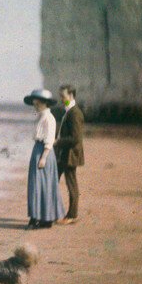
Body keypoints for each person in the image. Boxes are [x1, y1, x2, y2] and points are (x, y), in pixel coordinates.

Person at [24, 88, 66, 229]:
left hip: (44, 152)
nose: (34, 103)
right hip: (37, 149)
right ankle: (37, 216)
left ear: (43, 102)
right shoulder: (41, 115)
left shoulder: (49, 118)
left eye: (36, 100)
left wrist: (43, 158)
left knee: (43, 185)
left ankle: (45, 218)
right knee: (36, 184)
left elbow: (49, 139)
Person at [54, 84, 85, 224]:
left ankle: (72, 215)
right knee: (53, 180)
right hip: (64, 154)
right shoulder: (69, 111)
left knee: (71, 184)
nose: (61, 99)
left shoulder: (74, 112)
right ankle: (54, 213)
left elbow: (76, 138)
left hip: (71, 154)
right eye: (60, 96)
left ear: (71, 96)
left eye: (63, 96)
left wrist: (57, 142)